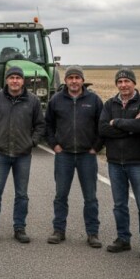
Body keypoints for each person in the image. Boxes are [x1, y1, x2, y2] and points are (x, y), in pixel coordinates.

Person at [0, 66, 45, 244]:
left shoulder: (33, 101)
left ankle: (19, 228)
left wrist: (32, 142)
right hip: (0, 154)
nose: (15, 81)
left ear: (23, 81)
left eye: (18, 77)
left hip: (23, 155)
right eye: (12, 77)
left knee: (22, 194)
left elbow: (40, 125)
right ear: (6, 80)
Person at [44, 65, 104, 248]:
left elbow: (102, 126)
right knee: (61, 195)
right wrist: (54, 145)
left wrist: (96, 147)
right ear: (66, 81)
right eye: (71, 78)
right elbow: (48, 125)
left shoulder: (94, 100)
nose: (74, 81)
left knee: (90, 197)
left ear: (82, 80)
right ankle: (58, 230)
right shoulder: (56, 100)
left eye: (77, 77)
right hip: (65, 156)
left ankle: (92, 233)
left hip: (87, 155)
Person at [99, 67, 140, 259]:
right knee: (119, 204)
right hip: (115, 162)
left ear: (134, 83)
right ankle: (123, 239)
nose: (123, 85)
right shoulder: (109, 104)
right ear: (117, 84)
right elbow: (103, 129)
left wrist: (117, 123)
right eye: (120, 82)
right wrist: (130, 125)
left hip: (138, 161)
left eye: (127, 81)